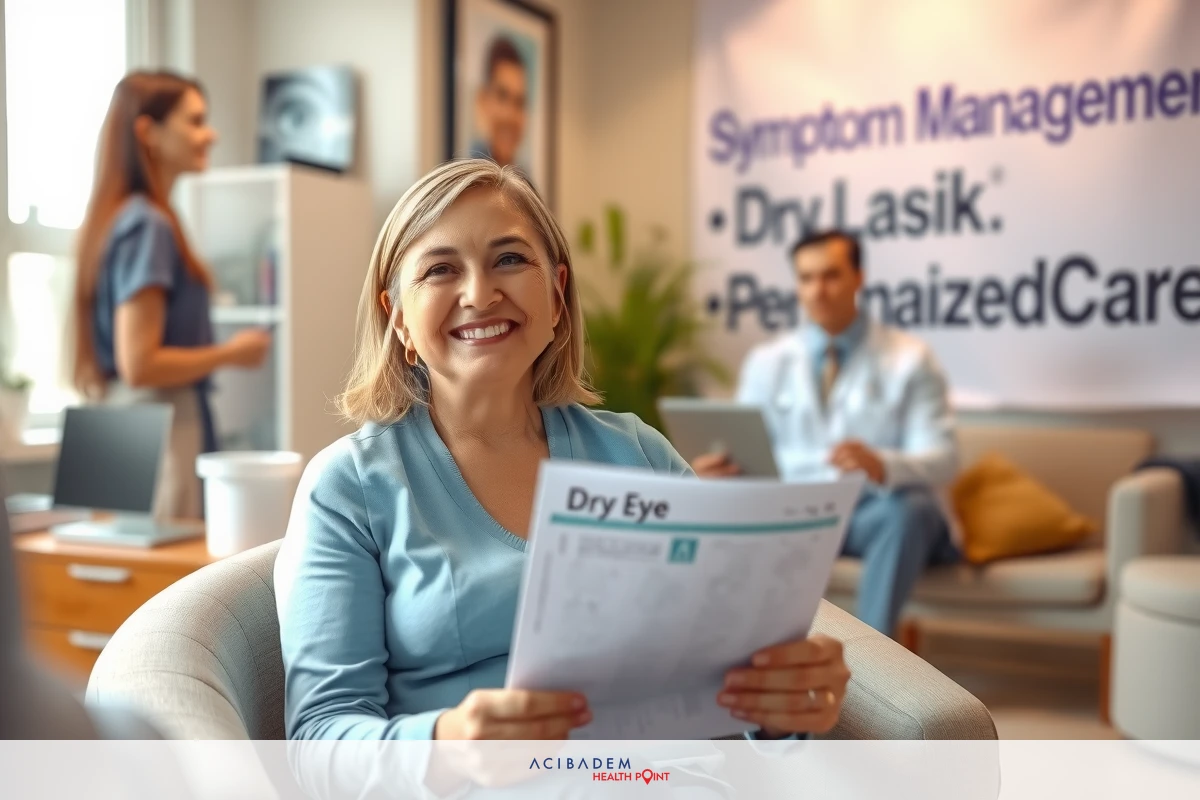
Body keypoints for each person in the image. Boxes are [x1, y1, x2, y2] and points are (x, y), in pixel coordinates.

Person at [274, 160, 850, 770]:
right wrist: (446, 745)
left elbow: (733, 676)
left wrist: (784, 704)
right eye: (441, 269)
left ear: (556, 295)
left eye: (510, 259)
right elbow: (318, 739)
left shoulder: (640, 454)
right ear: (399, 320)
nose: (479, 293)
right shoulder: (348, 487)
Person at [694, 230, 959, 637]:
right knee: (726, 513)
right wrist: (720, 470)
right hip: (800, 514)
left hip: (875, 512)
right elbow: (748, 449)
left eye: (831, 276)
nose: (818, 291)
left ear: (859, 278)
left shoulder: (909, 358)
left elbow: (944, 458)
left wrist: (882, 464)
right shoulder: (767, 362)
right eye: (806, 278)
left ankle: (875, 672)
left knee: (910, 510)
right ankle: (741, 661)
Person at [73, 71, 271, 519]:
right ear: (149, 132)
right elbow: (140, 364)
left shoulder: (121, 220)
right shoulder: (149, 226)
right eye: (196, 121)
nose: (211, 134)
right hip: (161, 426)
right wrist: (230, 353)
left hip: (118, 429)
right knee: (167, 580)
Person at [470, 35, 528, 171]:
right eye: (502, 97)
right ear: (482, 100)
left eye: (519, 102)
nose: (510, 114)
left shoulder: (525, 184)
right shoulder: (466, 186)